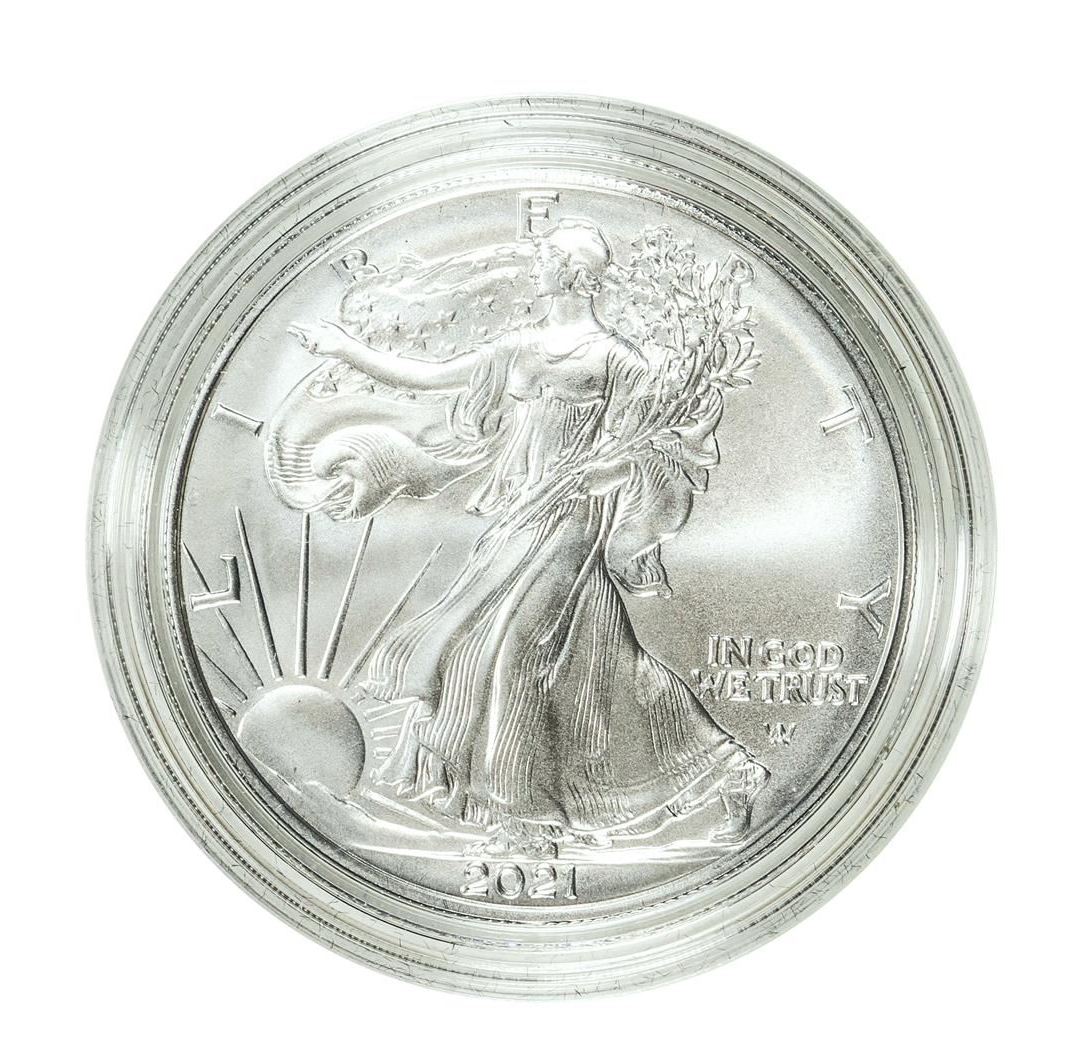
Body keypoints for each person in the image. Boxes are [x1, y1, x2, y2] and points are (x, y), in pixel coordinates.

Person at [285, 219, 767, 855]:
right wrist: (345, 349)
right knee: (589, 659)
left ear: (573, 274)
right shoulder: (518, 348)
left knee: (513, 647)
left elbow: (651, 450)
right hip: (519, 515)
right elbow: (429, 377)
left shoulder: (619, 360)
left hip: (572, 519)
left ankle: (525, 820)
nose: (535, 266)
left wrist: (606, 472)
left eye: (546, 258)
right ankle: (728, 771)